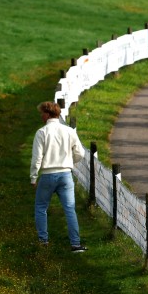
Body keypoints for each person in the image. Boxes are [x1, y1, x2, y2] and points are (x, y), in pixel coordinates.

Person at [30, 101, 87, 253]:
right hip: (66, 175)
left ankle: (43, 241)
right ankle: (75, 244)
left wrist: (33, 177)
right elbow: (80, 153)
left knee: (41, 208)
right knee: (70, 209)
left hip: (48, 175)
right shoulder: (69, 131)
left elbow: (37, 158)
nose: (41, 116)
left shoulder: (41, 133)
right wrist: (69, 162)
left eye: (42, 113)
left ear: (47, 114)